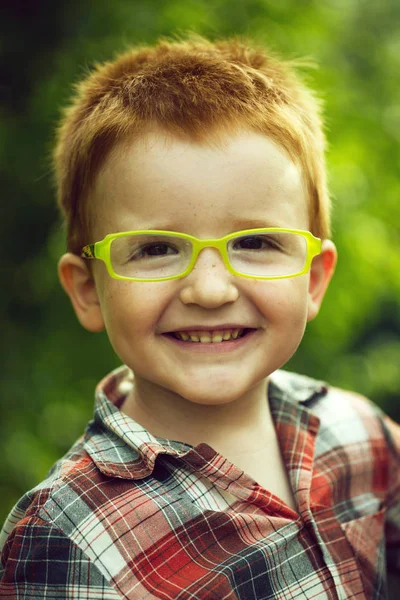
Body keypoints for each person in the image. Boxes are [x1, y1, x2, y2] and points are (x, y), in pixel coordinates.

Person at [0, 32, 398, 600]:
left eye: (257, 242)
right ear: (88, 289)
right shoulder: (66, 536)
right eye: (157, 249)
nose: (209, 290)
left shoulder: (360, 434)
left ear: (312, 280)